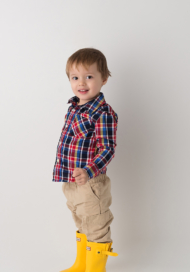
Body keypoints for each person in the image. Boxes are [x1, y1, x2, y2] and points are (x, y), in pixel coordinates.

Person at [53, 48, 119, 272]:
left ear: (104, 79)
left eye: (89, 76)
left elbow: (107, 148)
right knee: (81, 221)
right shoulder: (74, 108)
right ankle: (81, 265)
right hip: (71, 180)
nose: (82, 82)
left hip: (91, 182)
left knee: (96, 224)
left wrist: (89, 170)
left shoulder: (102, 113)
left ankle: (95, 269)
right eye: (75, 77)